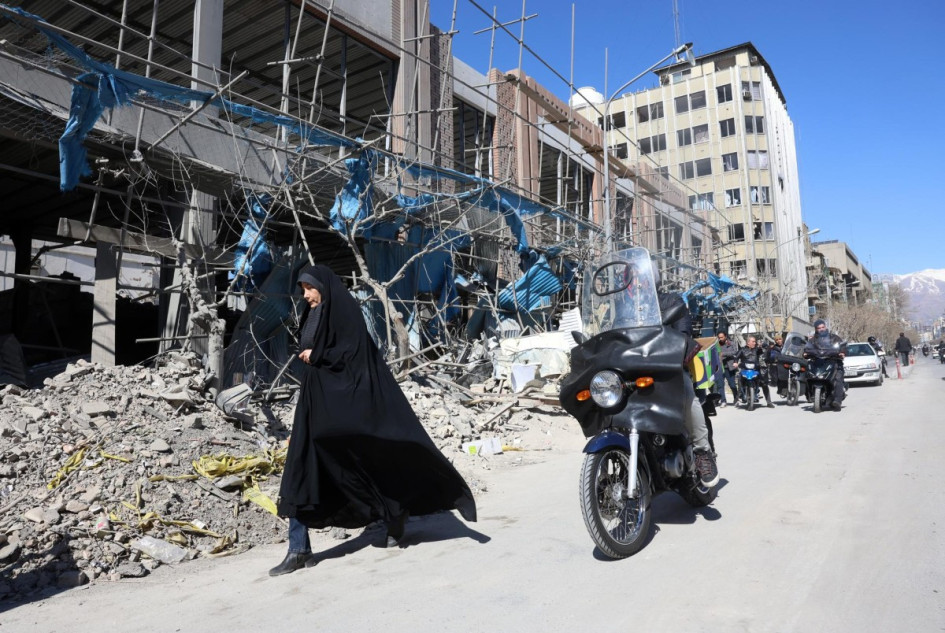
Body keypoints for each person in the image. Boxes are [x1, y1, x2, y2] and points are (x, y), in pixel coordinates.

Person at [270, 264, 477, 576]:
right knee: (302, 468)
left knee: (368, 463)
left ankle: (394, 516)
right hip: (314, 406)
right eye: (302, 289)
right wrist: (312, 355)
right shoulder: (311, 313)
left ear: (323, 286)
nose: (305, 294)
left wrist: (319, 356)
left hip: (347, 408)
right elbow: (311, 349)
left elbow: (352, 355)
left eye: (308, 288)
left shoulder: (345, 312)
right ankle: (298, 549)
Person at [648, 265, 719, 487]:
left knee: (687, 396)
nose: (636, 283)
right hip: (635, 368)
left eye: (642, 278)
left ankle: (702, 452)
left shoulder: (671, 301)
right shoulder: (624, 307)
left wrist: (678, 350)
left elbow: (683, 332)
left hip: (668, 366)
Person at [804, 319, 847, 410]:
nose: (821, 329)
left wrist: (842, 352)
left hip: (833, 361)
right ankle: (809, 394)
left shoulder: (834, 337)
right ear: (816, 329)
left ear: (826, 327)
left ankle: (837, 400)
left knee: (838, 378)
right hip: (818, 361)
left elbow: (842, 346)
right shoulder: (812, 340)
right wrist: (805, 353)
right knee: (807, 374)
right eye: (819, 328)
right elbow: (807, 348)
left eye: (823, 327)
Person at [734, 335, 775, 408]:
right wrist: (735, 362)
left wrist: (763, 346)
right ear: (748, 342)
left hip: (756, 369)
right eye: (753, 341)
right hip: (745, 370)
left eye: (755, 342)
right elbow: (736, 356)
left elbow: (764, 351)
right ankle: (738, 399)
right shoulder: (742, 350)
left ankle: (769, 402)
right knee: (740, 381)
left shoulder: (757, 350)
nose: (754, 343)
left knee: (764, 384)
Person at [716, 331, 740, 407]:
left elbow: (734, 352)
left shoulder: (731, 343)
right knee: (720, 385)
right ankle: (723, 401)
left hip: (729, 367)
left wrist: (723, 354)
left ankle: (736, 398)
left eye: (722, 337)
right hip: (719, 367)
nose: (720, 339)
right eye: (719, 337)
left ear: (725, 336)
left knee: (732, 384)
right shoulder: (716, 345)